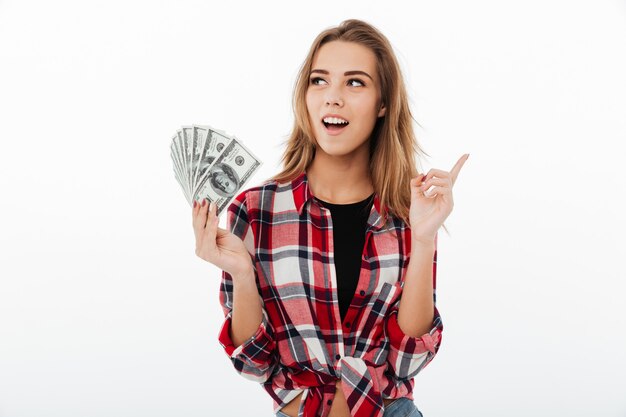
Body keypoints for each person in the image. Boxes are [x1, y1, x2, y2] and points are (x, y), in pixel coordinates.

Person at [191, 19, 468, 417]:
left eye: (355, 83)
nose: (332, 98)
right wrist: (242, 273)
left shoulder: (409, 212)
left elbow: (409, 359)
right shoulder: (255, 211)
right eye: (319, 81)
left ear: (383, 103)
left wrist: (423, 239)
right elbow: (254, 364)